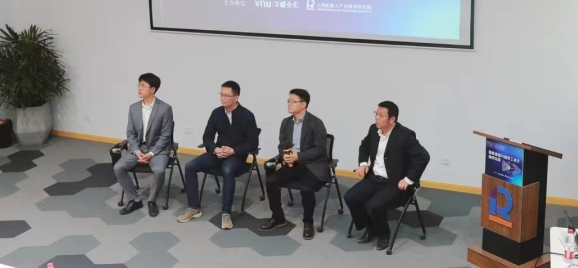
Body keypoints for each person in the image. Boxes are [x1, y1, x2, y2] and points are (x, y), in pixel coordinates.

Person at [344, 101, 430, 251]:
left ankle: (383, 233)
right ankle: (370, 226)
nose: (376, 118)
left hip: (395, 183)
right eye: (376, 114)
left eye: (381, 115)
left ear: (392, 119)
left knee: (373, 205)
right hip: (373, 178)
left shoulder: (405, 135)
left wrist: (409, 179)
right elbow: (364, 145)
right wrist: (363, 163)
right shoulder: (373, 129)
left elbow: (423, 156)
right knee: (350, 197)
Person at [178, 81, 258, 230]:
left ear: (236, 97)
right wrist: (215, 149)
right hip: (218, 153)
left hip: (237, 156)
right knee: (190, 166)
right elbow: (207, 138)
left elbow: (253, 143)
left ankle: (226, 213)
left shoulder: (247, 116)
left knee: (228, 170)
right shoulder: (217, 113)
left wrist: (233, 151)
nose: (222, 98)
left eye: (227, 95)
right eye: (221, 94)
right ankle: (194, 207)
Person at [259, 89, 330, 240]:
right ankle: (278, 217)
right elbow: (282, 145)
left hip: (311, 165)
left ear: (303, 104)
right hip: (292, 164)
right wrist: (284, 155)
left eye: (293, 101)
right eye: (288, 101)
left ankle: (308, 222)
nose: (289, 104)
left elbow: (321, 150)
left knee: (306, 187)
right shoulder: (286, 123)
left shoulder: (316, 123)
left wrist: (298, 155)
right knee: (271, 181)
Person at [113, 73, 174, 217]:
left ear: (152, 89)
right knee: (118, 168)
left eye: (143, 85)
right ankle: (134, 199)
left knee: (159, 170)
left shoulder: (165, 108)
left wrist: (151, 153)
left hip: (158, 149)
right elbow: (130, 133)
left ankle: (152, 201)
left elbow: (166, 135)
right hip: (139, 148)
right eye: (139, 85)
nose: (139, 88)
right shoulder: (133, 108)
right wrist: (136, 150)